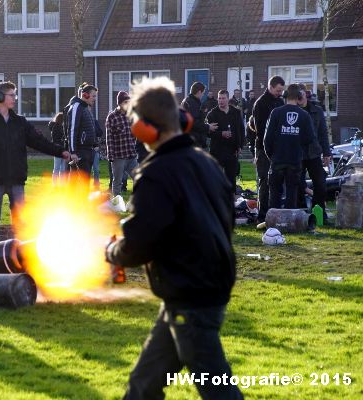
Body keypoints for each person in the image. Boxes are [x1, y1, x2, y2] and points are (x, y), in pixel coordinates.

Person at [105, 78, 242, 400]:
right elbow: (227, 222)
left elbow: (140, 244)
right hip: (194, 289)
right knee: (143, 385)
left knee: (217, 388)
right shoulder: (206, 163)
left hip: (191, 293)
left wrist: (112, 250)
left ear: (145, 129)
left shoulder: (156, 173)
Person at [0, 81, 73, 243]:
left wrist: (60, 151)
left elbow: (38, 141)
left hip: (16, 180)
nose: (15, 98)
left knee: (20, 221)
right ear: (0, 97)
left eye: (15, 94)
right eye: (11, 95)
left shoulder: (20, 122)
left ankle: (19, 253)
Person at [264, 84, 315, 209]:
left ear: (285, 96)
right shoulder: (304, 115)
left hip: (278, 159)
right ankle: (289, 222)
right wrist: (298, 145)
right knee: (292, 193)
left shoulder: (276, 113)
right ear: (298, 97)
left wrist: (271, 155)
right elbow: (310, 138)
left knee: (275, 193)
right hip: (295, 159)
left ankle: (274, 223)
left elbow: (267, 139)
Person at [252, 76, 285, 222]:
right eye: (278, 90)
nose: (280, 93)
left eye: (282, 90)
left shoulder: (280, 101)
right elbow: (259, 130)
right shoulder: (261, 104)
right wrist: (265, 149)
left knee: (277, 181)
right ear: (270, 87)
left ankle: (275, 212)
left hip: (278, 149)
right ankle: (263, 215)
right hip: (264, 149)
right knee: (264, 181)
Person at [296, 84, 331, 218]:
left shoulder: (317, 111)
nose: (300, 97)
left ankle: (319, 213)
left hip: (314, 153)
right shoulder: (293, 111)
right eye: (297, 95)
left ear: (306, 94)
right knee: (297, 185)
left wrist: (327, 153)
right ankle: (300, 215)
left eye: (301, 94)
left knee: (320, 184)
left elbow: (323, 133)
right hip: (297, 154)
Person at [206, 90, 244, 193]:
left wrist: (240, 145)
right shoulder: (212, 114)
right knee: (216, 178)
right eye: (219, 98)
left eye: (223, 98)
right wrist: (221, 133)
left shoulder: (235, 112)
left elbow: (240, 129)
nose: (221, 101)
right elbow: (208, 133)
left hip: (232, 151)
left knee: (231, 179)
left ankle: (231, 203)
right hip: (217, 150)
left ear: (228, 99)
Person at [105, 91, 138, 197]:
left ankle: (137, 201)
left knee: (138, 178)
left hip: (131, 155)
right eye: (125, 102)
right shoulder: (112, 117)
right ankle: (116, 203)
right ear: (119, 103)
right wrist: (111, 156)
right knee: (117, 181)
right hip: (118, 156)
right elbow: (109, 138)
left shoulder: (131, 115)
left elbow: (135, 134)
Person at [63, 82, 99, 175]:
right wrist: (73, 152)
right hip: (80, 151)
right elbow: (72, 130)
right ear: (85, 95)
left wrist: (95, 144)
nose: (95, 99)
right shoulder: (76, 107)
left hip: (88, 150)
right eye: (93, 96)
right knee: (80, 182)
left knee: (84, 181)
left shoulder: (86, 108)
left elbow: (90, 128)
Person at [180, 82, 217, 149]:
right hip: (194, 141)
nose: (203, 95)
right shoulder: (193, 103)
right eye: (203, 93)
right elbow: (194, 123)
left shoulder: (186, 101)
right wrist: (208, 126)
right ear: (199, 92)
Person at [48, 112, 66, 184]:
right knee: (58, 168)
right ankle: (56, 184)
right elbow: (57, 139)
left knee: (60, 168)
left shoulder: (55, 127)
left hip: (59, 149)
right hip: (59, 149)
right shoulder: (58, 127)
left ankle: (59, 183)